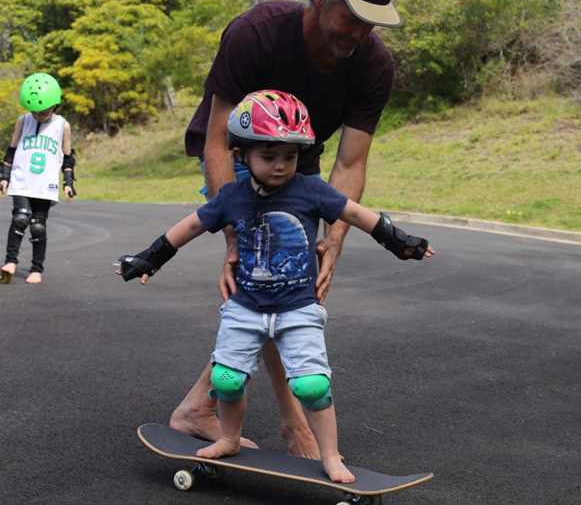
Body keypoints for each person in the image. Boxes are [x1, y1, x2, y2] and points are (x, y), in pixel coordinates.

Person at [118, 91, 433, 482]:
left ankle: (331, 456)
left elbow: (355, 212)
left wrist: (397, 239)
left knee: (313, 385)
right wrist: (151, 256)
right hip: (245, 308)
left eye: (290, 155)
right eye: (269, 156)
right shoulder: (231, 197)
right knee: (226, 379)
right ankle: (230, 438)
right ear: (242, 155)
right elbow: (192, 225)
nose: (281, 166)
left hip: (298, 308)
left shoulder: (310, 191)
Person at [174, 0, 403, 456]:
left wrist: (334, 241)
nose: (361, 34)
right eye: (353, 18)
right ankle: (292, 419)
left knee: (293, 281)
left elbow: (352, 160)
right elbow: (217, 141)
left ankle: (198, 406)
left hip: (299, 161)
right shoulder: (256, 33)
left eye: (372, 23)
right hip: (241, 154)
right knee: (271, 278)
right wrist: (234, 235)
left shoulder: (373, 64)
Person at [0, 73, 77, 284]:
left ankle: (36, 268)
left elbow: (68, 157)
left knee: (37, 226)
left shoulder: (63, 125)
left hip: (45, 184)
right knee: (20, 218)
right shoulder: (23, 120)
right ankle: (10, 262)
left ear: (54, 105)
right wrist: (4, 176)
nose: (37, 115)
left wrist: (68, 183)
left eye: (42, 112)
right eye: (33, 111)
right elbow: (11, 150)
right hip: (21, 180)